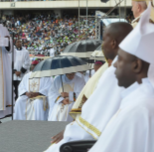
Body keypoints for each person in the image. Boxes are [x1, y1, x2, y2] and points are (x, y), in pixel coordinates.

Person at [89, 3, 154, 152]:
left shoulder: (138, 111)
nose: (115, 65)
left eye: (121, 59)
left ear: (136, 65)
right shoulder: (149, 101)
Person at [45, 22, 133, 152]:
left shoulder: (114, 71)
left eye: (104, 39)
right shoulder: (132, 65)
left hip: (102, 138)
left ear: (113, 43)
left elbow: (94, 120)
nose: (102, 45)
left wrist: (69, 130)